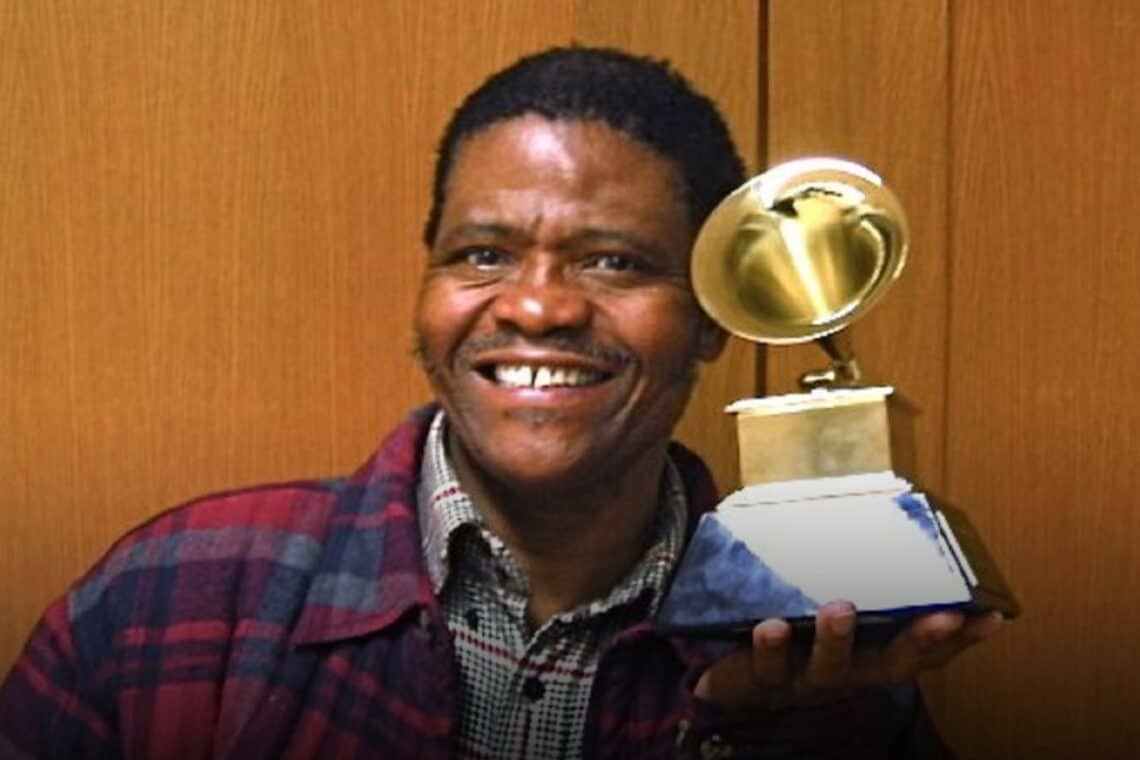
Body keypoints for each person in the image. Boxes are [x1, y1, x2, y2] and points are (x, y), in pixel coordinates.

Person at [0, 46, 1001, 759]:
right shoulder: (163, 601)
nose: (536, 305)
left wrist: (766, 733)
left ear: (712, 319)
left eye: (614, 261)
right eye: (482, 254)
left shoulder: (823, 660)